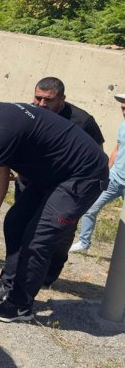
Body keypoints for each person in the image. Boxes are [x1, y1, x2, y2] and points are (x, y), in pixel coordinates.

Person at [0, 76, 108, 323]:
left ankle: (20, 305)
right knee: (15, 222)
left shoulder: (1, 128)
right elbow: (0, 168)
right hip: (53, 176)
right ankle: (9, 289)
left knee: (37, 240)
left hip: (82, 177)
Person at [15, 77, 105, 285]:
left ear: (62, 99)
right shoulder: (29, 113)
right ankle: (20, 272)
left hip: (65, 189)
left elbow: (97, 155)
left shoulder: (82, 121)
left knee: (59, 235)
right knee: (22, 227)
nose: (42, 104)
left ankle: (48, 276)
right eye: (38, 98)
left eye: (49, 100)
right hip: (31, 182)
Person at [70, 94, 125, 252]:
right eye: (122, 108)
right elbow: (117, 149)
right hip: (115, 178)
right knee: (90, 208)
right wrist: (106, 170)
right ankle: (84, 243)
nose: (124, 112)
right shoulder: (123, 126)